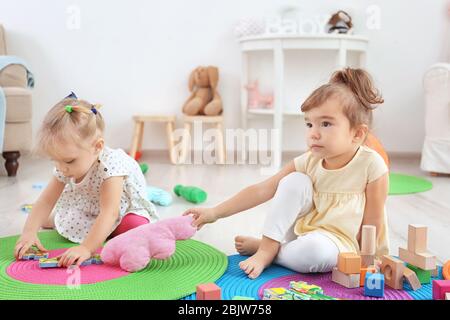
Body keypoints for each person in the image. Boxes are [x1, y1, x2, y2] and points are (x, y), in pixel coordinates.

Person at [184, 68, 390, 279]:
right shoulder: (310, 160)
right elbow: (262, 190)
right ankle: (268, 248)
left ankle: (270, 251)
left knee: (315, 252)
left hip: (342, 246)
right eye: (309, 123)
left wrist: (367, 263)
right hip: (304, 234)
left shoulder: (371, 165)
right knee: (294, 181)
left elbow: (373, 223)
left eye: (326, 124)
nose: (313, 133)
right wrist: (214, 213)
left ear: (357, 133)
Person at [14, 93, 159, 267]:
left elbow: (110, 213)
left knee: (138, 227)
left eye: (68, 161)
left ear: (97, 147)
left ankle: (103, 232)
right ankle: (59, 219)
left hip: (121, 211)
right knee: (67, 220)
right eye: (55, 160)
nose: (61, 168)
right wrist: (29, 233)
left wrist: (86, 248)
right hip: (91, 208)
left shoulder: (112, 165)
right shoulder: (64, 165)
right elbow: (45, 201)